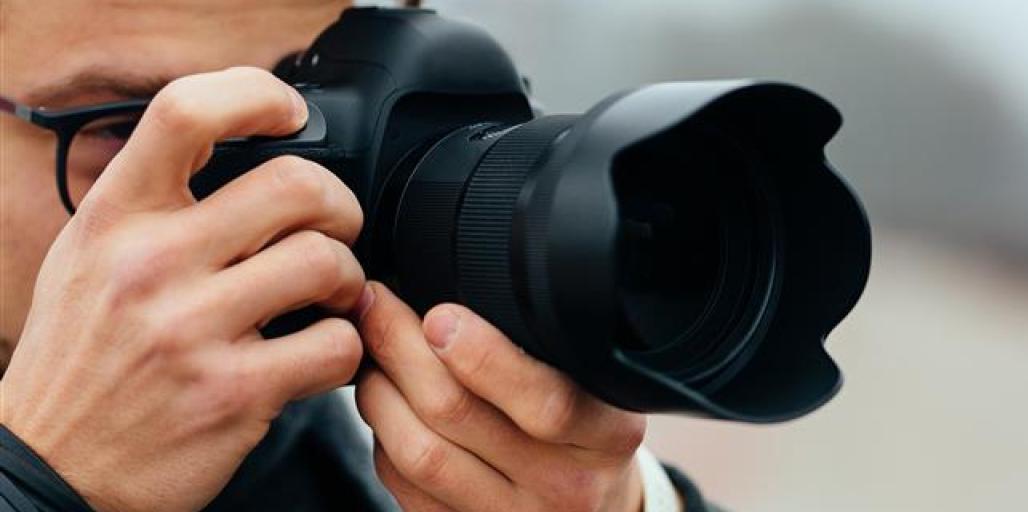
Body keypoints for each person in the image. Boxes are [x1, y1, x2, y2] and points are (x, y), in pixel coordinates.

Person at [0, 1, 712, 510]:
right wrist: (38, 477)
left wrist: (632, 504)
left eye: (306, 120)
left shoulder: (392, 472)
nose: (255, 204)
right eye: (124, 131)